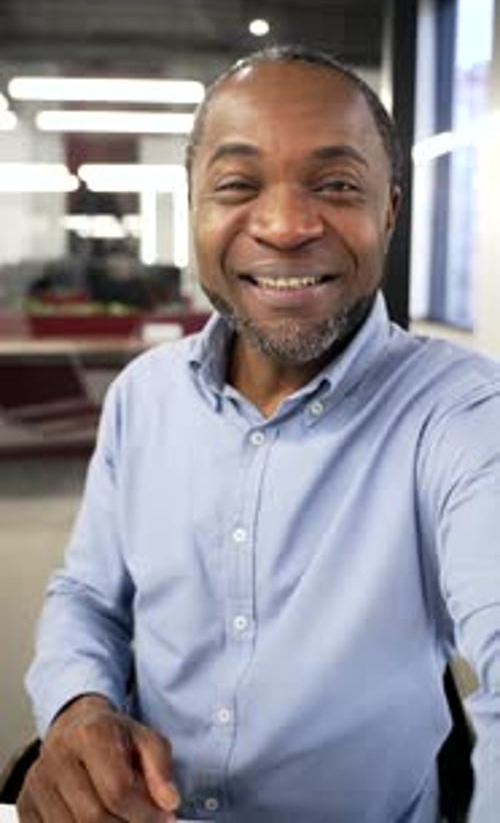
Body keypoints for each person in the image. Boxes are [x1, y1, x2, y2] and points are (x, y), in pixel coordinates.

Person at [20, 45, 500, 823]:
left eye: (336, 185)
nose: (284, 227)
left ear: (389, 212)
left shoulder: (463, 413)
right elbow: (88, 595)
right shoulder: (144, 396)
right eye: (238, 186)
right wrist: (80, 705)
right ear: (194, 208)